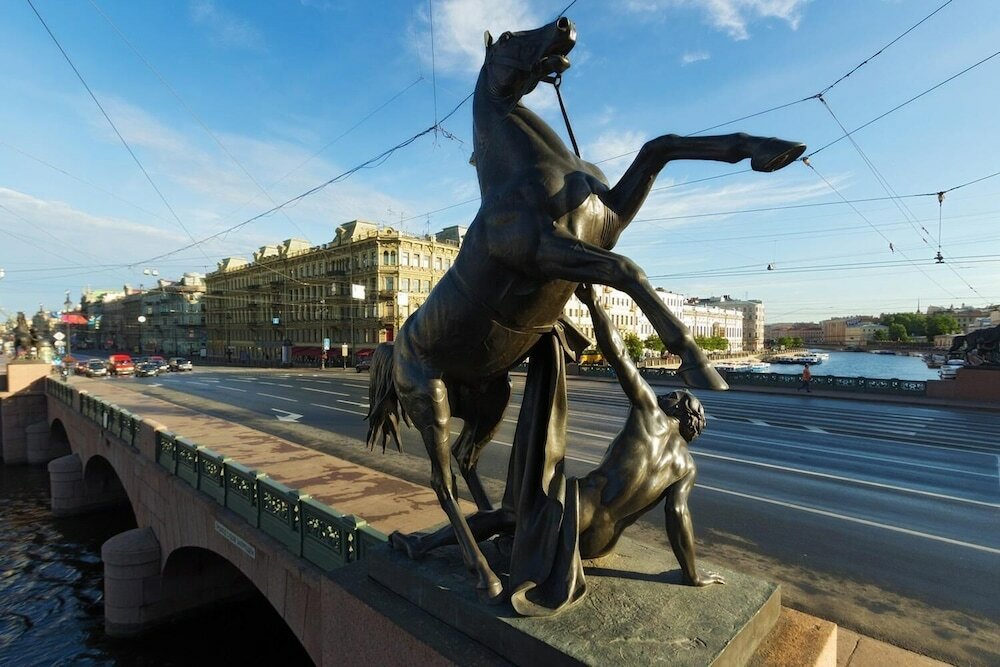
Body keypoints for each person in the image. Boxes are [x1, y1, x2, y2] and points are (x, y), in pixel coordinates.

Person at [391, 284, 724, 588]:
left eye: (677, 397)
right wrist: (692, 574)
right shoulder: (686, 468)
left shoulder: (651, 415)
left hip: (578, 512)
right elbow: (677, 515)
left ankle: (422, 544)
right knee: (516, 521)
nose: (670, 396)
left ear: (683, 411)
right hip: (600, 544)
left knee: (504, 516)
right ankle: (517, 545)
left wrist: (594, 304)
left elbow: (620, 356)